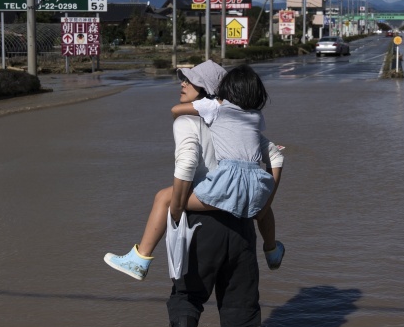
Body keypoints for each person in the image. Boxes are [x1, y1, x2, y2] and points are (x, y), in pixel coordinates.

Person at [104, 61, 285, 280]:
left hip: (214, 203)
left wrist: (178, 208)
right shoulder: (253, 118)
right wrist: (265, 203)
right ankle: (271, 250)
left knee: (163, 198)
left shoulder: (200, 115)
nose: (183, 83)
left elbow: (187, 161)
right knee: (239, 305)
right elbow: (275, 155)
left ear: (209, 91)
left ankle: (141, 258)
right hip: (248, 208)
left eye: (191, 81)